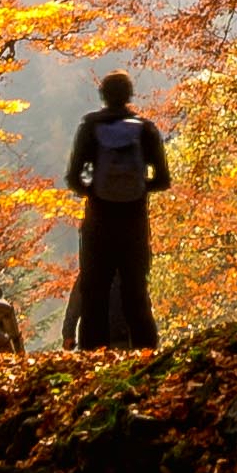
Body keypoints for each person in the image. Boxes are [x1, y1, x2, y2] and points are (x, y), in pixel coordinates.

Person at [63, 72, 174, 350]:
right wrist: (139, 188)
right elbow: (163, 180)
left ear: (103, 95)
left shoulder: (90, 128)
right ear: (129, 95)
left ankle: (92, 359)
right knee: (135, 292)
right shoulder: (145, 130)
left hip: (98, 222)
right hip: (134, 223)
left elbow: (74, 178)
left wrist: (93, 192)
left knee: (94, 293)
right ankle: (147, 355)